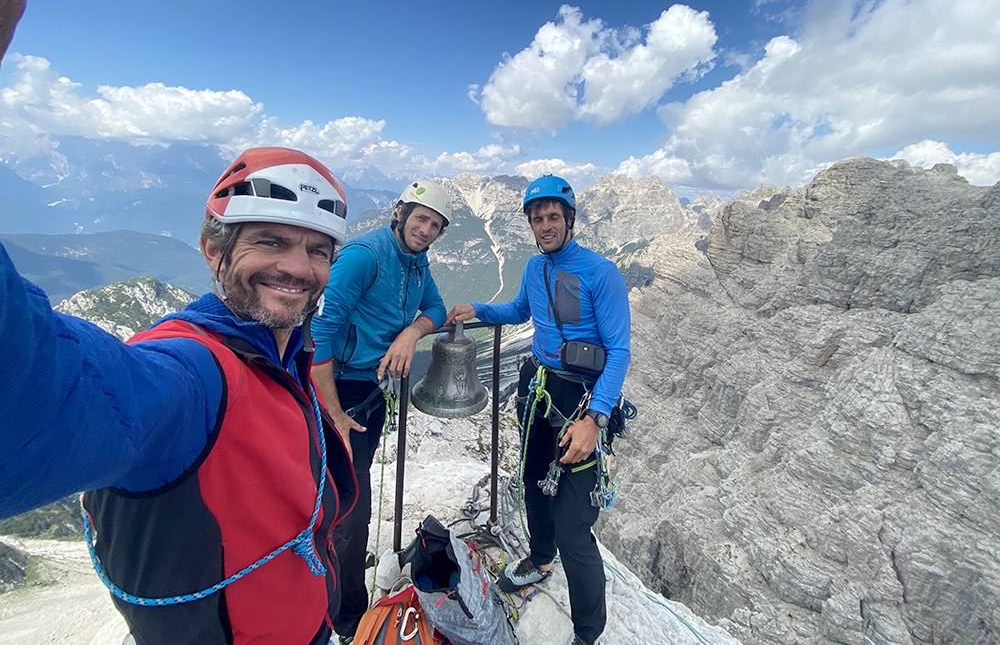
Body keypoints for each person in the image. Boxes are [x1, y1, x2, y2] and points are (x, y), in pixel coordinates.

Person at [0, 147, 359, 645]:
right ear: (214, 250)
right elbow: (46, 397)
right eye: (271, 241)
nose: (299, 268)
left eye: (318, 250)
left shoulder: (283, 356)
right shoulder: (193, 373)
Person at [446, 174, 631, 645]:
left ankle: (588, 633)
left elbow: (619, 350)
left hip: (583, 401)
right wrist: (478, 310)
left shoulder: (600, 272)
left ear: (569, 220)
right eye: (536, 218)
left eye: (552, 217)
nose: (544, 225)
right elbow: (521, 311)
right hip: (540, 390)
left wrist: (596, 420)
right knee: (532, 483)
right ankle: (541, 559)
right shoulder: (534, 267)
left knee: (575, 525)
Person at [311, 179, 452, 642]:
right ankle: (344, 616)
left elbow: (434, 304)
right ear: (401, 213)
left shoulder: (415, 262)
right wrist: (332, 411)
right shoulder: (364, 257)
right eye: (421, 218)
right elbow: (321, 332)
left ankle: (343, 575)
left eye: (435, 224)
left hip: (366, 392)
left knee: (356, 485)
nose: (427, 229)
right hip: (340, 391)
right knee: (350, 505)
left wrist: (411, 334)